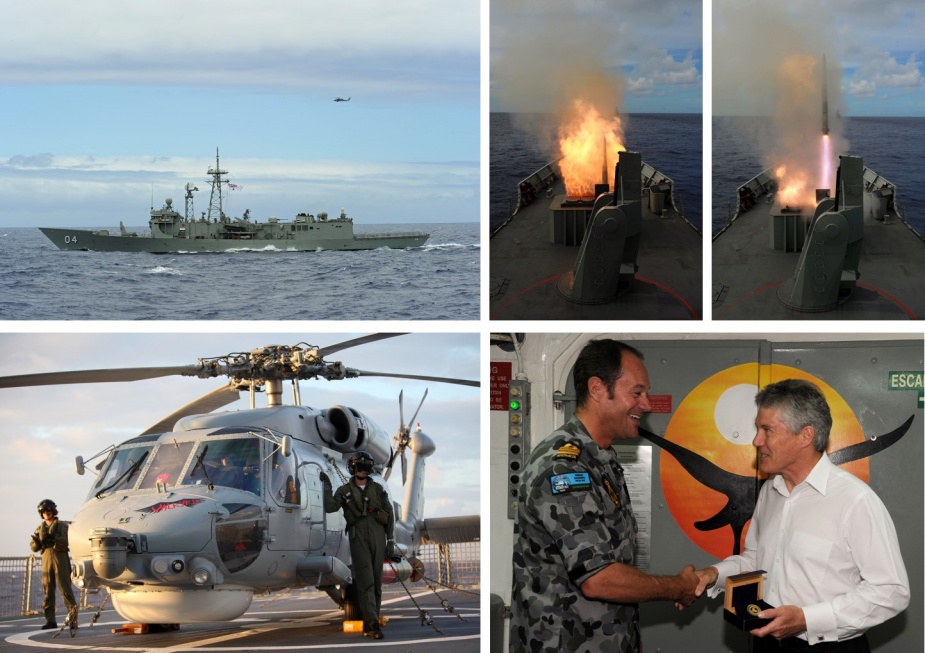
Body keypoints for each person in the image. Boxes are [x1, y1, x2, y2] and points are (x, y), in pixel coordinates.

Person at [691, 379, 910, 652]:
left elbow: (891, 591)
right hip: (766, 642)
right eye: (758, 429)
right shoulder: (770, 492)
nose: (756, 441)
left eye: (767, 430)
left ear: (805, 436)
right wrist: (712, 575)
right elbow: (757, 559)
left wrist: (807, 619)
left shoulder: (855, 500)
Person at [510, 339, 700, 653]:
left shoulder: (600, 457)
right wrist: (678, 587)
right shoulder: (564, 467)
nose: (647, 404)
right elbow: (599, 578)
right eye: (637, 393)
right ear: (598, 389)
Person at [322, 451, 395, 639]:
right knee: (366, 582)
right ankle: (372, 625)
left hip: (378, 536)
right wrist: (326, 487)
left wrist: (391, 540)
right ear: (353, 469)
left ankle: (373, 621)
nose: (362, 470)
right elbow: (330, 507)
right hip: (358, 536)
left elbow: (389, 514)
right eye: (359, 467)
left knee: (377, 583)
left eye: (365, 467)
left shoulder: (378, 489)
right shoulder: (345, 491)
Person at [29, 499, 78, 630]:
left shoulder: (62, 526)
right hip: (46, 561)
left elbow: (68, 541)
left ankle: (73, 619)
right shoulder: (40, 529)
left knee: (65, 589)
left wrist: (54, 539)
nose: (47, 513)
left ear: (53, 511)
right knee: (48, 592)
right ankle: (50, 620)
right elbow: (33, 547)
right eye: (44, 512)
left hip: (60, 559)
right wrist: (38, 542)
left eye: (49, 511)